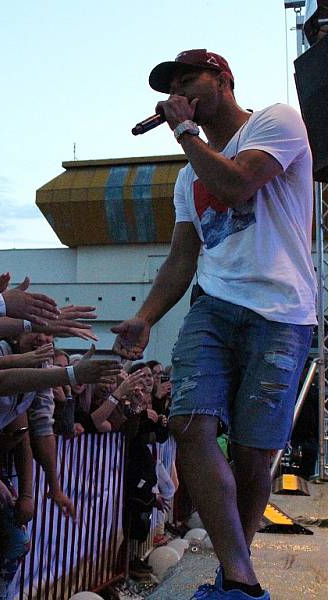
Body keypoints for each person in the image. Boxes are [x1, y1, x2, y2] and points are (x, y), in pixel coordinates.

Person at [112, 49, 315, 600]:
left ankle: (233, 579)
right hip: (215, 304)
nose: (179, 91)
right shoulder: (187, 176)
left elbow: (238, 186)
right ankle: (244, 579)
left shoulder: (275, 121)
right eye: (171, 86)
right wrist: (144, 316)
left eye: (188, 80)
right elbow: (182, 257)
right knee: (188, 425)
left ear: (223, 81)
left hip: (281, 310)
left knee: (254, 451)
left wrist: (183, 130)